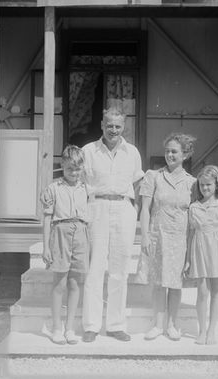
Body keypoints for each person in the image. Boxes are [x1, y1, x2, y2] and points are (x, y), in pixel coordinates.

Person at [82, 107, 144, 342]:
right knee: (95, 268)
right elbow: (81, 181)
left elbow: (138, 182)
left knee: (120, 269)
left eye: (118, 126)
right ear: (102, 124)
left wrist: (134, 209)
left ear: (124, 126)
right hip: (96, 208)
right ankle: (91, 325)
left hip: (123, 208)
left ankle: (116, 324)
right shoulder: (89, 151)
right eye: (109, 125)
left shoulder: (132, 152)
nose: (113, 130)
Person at [138, 133, 196, 341]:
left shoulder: (192, 183)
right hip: (157, 235)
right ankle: (157, 324)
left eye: (174, 151)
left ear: (185, 155)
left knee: (175, 283)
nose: (170, 155)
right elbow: (144, 209)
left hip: (180, 238)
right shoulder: (153, 176)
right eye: (167, 151)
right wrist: (144, 235)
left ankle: (172, 324)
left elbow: (194, 214)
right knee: (158, 282)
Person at [41, 145, 89, 345]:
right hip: (60, 232)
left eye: (77, 169)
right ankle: (56, 327)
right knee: (60, 283)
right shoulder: (54, 188)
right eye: (70, 168)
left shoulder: (86, 188)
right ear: (62, 166)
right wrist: (46, 246)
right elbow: (46, 218)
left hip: (80, 233)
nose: (74, 173)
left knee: (75, 282)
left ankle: (70, 328)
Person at [183, 165, 218, 345]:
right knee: (202, 291)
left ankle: (212, 331)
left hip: (217, 251)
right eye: (202, 185)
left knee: (216, 289)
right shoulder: (194, 208)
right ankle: (202, 330)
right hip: (199, 250)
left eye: (208, 185)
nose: (205, 188)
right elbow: (190, 235)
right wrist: (188, 259)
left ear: (216, 185)